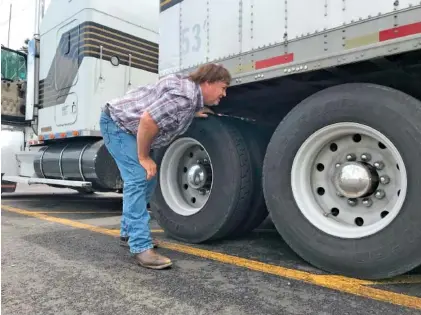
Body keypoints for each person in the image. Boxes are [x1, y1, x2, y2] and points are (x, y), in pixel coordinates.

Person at [99, 63, 231, 270]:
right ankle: (141, 248)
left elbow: (168, 107)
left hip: (130, 127)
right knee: (138, 178)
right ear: (208, 82)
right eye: (223, 87)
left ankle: (128, 233)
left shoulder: (189, 97)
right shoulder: (183, 98)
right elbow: (148, 120)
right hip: (118, 124)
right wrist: (143, 157)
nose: (224, 93)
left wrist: (194, 112)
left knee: (148, 181)